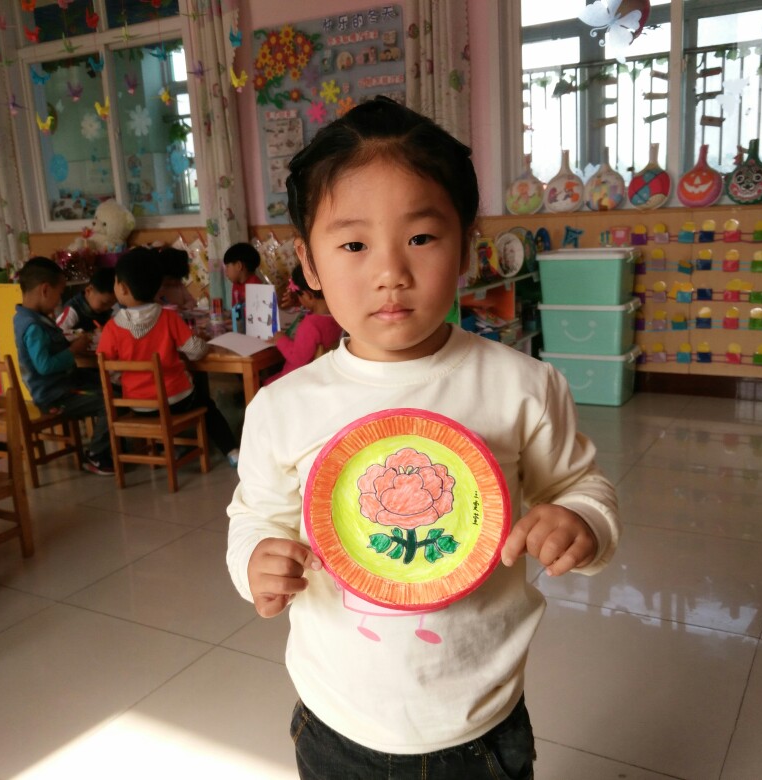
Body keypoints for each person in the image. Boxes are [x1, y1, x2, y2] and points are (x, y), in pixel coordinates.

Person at [226, 97, 620, 778]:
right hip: (335, 719)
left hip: (479, 723)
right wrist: (254, 562)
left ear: (466, 246)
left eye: (421, 238)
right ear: (309, 265)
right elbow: (255, 515)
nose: (390, 273)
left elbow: (579, 486)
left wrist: (580, 524)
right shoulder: (282, 407)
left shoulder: (522, 385)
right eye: (354, 245)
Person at [97, 247, 242, 468]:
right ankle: (231, 451)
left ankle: (164, 448)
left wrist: (126, 381)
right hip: (177, 401)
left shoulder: (111, 328)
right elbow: (195, 350)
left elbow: (107, 368)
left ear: (122, 288)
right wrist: (202, 342)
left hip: (137, 405)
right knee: (207, 404)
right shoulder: (168, 317)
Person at [13, 257, 113, 475]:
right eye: (59, 294)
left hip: (66, 383)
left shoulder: (32, 318)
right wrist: (73, 350)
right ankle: (96, 455)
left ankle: (114, 445)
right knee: (109, 401)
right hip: (55, 396)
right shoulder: (33, 325)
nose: (60, 300)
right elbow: (45, 366)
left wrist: (71, 343)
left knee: (111, 382)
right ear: (45, 290)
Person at [263, 263, 343, 385]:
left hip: (296, 380)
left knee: (264, 385)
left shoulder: (311, 325)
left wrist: (280, 339)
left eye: (299, 296)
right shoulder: (337, 317)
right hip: (317, 377)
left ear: (307, 295)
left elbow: (297, 358)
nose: (299, 301)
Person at [56, 267, 117, 339]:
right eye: (104, 303)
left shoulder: (105, 309)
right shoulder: (73, 310)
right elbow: (59, 332)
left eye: (112, 304)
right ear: (89, 290)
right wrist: (89, 334)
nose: (108, 308)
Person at [156, 246, 199, 313]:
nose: (176, 282)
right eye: (172, 278)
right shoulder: (158, 291)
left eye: (179, 278)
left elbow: (192, 301)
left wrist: (184, 308)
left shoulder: (179, 286)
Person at [222, 241, 263, 307]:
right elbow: (234, 308)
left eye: (227, 266)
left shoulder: (255, 285)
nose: (225, 271)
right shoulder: (236, 284)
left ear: (238, 266)